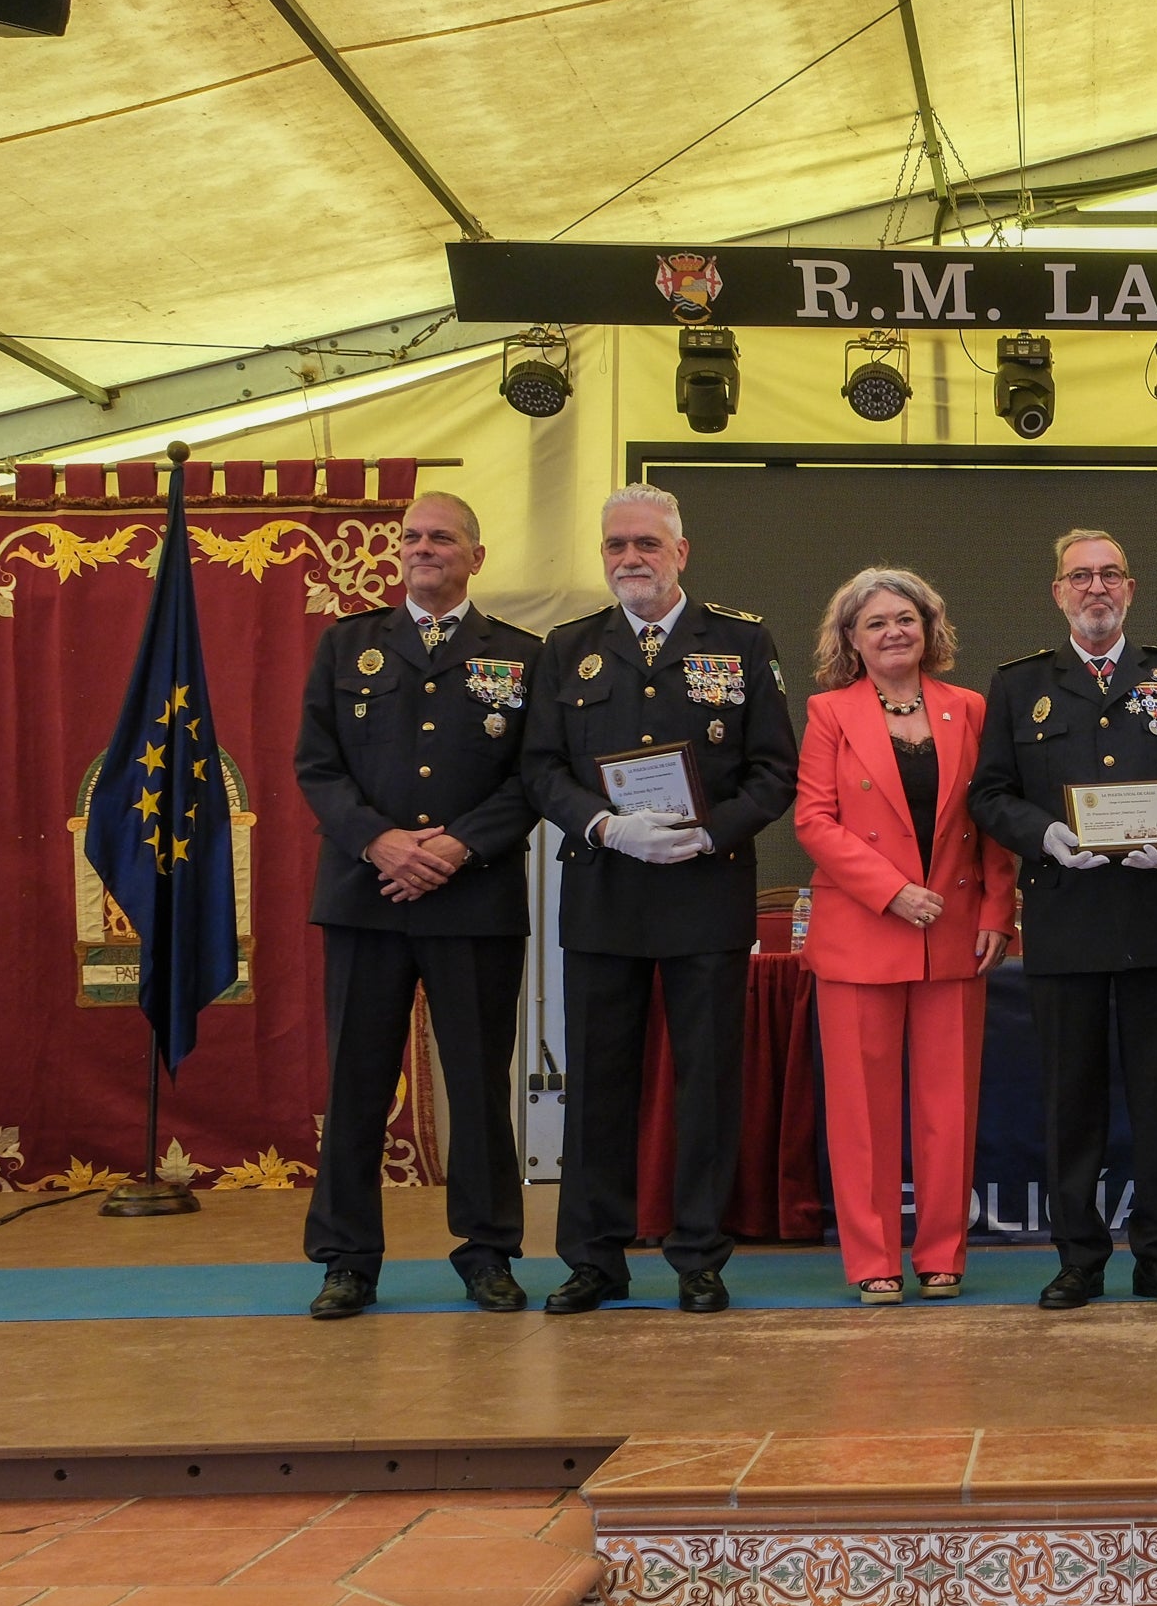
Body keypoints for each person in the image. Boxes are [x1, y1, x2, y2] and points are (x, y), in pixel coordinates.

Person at [520, 483, 798, 1316]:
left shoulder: (742, 642)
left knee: (706, 1084)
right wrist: (605, 827)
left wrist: (711, 835)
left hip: (705, 892)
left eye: (645, 544)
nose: (629, 559)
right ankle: (594, 1259)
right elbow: (539, 769)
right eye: (615, 546)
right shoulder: (568, 648)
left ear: (680, 551)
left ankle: (698, 1257)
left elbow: (775, 772)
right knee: (597, 1085)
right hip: (605, 890)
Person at [971, 529, 1157, 1310]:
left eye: (1109, 575)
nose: (1096, 588)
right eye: (1079, 577)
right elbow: (989, 794)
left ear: (1130, 588)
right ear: (1057, 592)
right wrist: (1043, 837)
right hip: (1064, 920)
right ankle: (1078, 1258)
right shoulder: (1020, 686)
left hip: (1155, 920)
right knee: (1072, 1103)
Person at [292, 493, 541, 1319]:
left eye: (441, 537)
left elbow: (532, 777)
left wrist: (454, 847)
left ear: (476, 555)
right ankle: (346, 1259)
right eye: (411, 538)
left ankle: (487, 1251)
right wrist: (383, 843)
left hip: (473, 898)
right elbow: (317, 766)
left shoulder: (519, 655)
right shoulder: (347, 645)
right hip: (367, 895)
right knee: (357, 1082)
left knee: (476, 1085)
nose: (422, 548)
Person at [794, 567, 1015, 1307]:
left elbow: (992, 819)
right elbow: (812, 821)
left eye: (905, 619)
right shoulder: (829, 712)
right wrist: (891, 892)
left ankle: (943, 1254)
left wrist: (996, 913)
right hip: (863, 931)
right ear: (850, 641)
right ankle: (872, 1261)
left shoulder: (971, 708)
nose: (893, 632)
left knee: (947, 1108)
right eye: (875, 623)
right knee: (861, 1112)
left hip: (955, 933)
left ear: (929, 629)